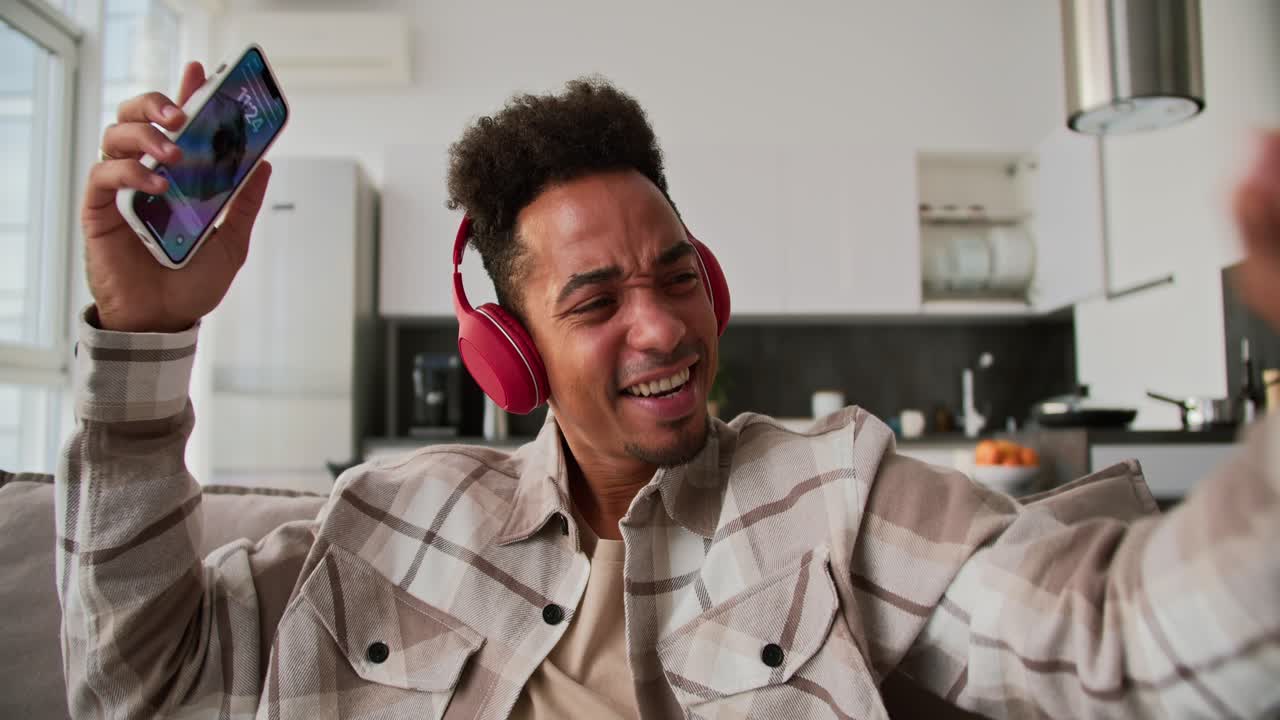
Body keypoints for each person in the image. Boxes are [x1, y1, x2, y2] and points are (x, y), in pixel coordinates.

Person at [59, 60, 1280, 719]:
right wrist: (141, 339)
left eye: (677, 275)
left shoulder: (830, 489)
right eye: (593, 301)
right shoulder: (382, 522)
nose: (661, 326)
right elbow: (136, 687)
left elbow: (1111, 643)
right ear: (511, 351)